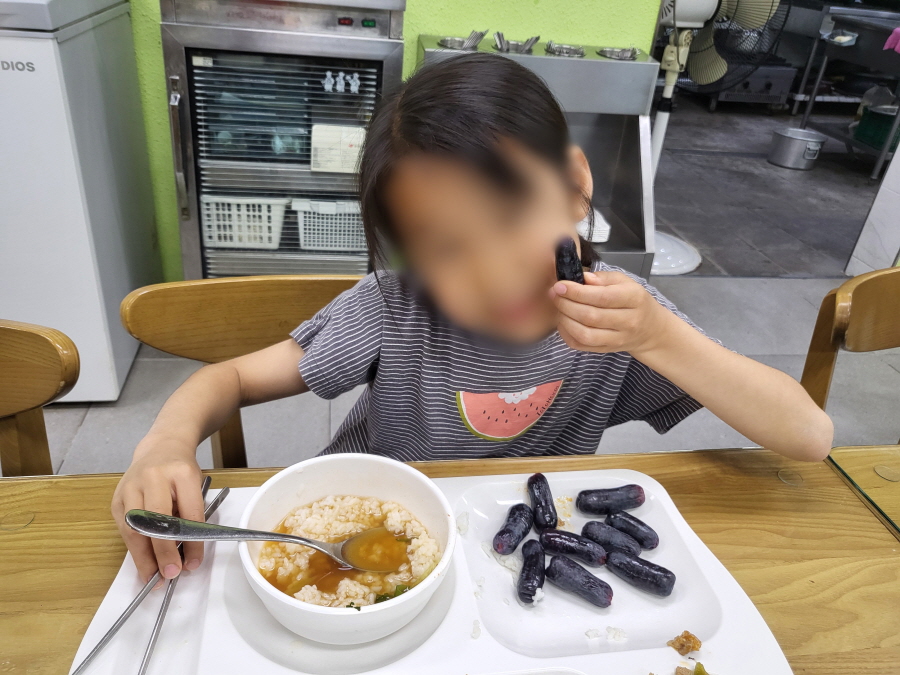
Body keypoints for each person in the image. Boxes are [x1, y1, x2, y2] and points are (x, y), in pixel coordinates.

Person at [112, 54, 833, 587]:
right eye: (447, 249)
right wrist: (165, 443)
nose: (492, 272)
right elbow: (231, 379)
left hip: (517, 559)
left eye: (511, 216)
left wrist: (661, 337)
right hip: (374, 540)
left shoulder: (621, 319)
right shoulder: (395, 307)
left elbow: (808, 434)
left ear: (574, 187)